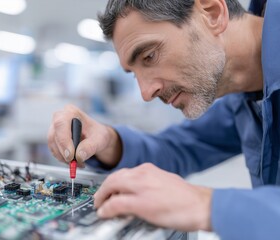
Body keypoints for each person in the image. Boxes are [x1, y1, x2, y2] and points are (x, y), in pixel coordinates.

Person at [48, 0, 280, 239]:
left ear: (212, 14)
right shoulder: (245, 99)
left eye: (149, 56)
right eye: (134, 74)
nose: (146, 94)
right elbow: (182, 147)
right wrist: (109, 142)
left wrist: (205, 204)